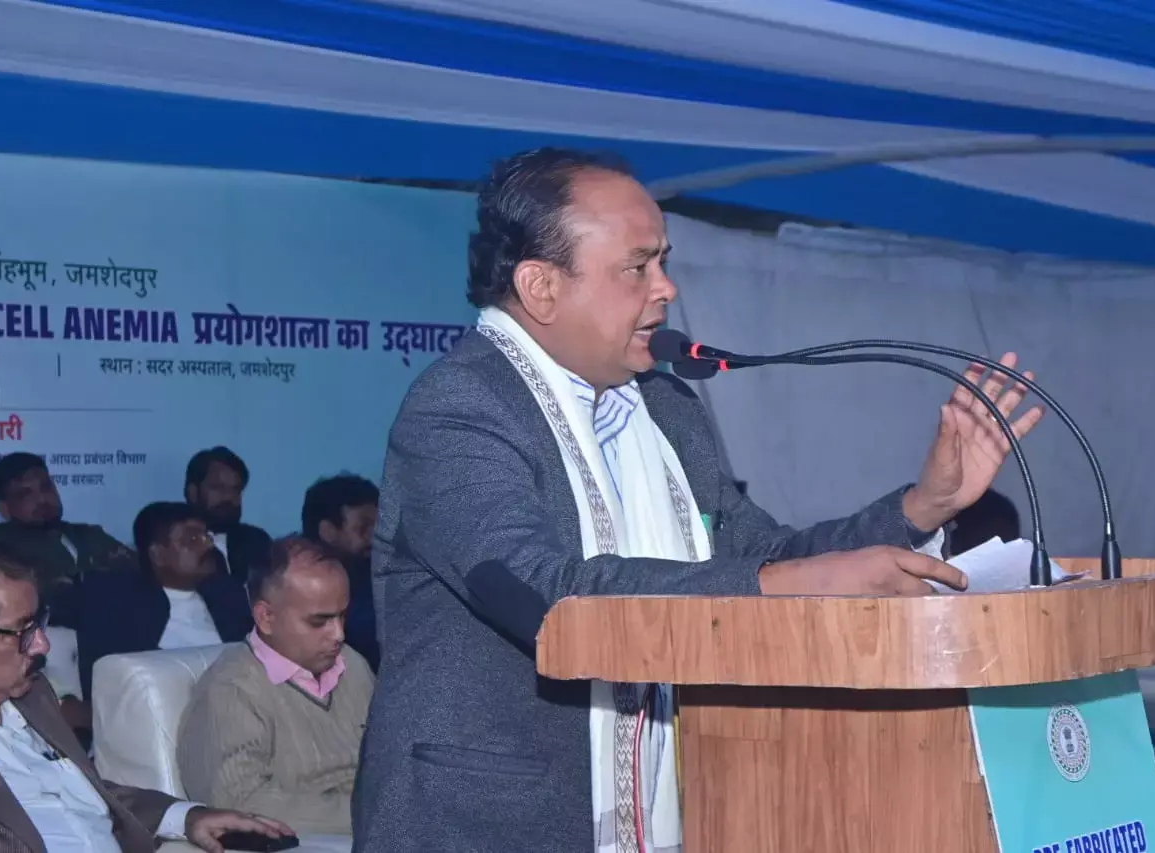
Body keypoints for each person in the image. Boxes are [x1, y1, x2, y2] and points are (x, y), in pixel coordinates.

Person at [352, 148, 1043, 853]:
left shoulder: (664, 408)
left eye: (664, 261)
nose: (666, 287)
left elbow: (764, 557)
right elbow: (545, 594)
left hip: (666, 816)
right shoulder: (459, 407)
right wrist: (783, 582)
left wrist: (925, 504)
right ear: (541, 286)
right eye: (638, 266)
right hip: (488, 825)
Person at [0, 551, 294, 853]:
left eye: (39, 625)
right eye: (23, 631)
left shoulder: (33, 697)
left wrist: (186, 817)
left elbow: (85, 792)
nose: (42, 645)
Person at [177, 536, 373, 835]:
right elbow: (239, 802)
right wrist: (374, 812)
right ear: (266, 617)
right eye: (319, 621)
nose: (338, 634)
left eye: (342, 616)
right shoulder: (232, 690)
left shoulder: (352, 663)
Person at [76, 502, 251, 702]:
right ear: (157, 555)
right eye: (193, 539)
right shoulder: (120, 607)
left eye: (207, 536)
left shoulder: (229, 596)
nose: (209, 545)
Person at [0, 452, 136, 626]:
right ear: (4, 508)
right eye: (25, 494)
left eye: (46, 487)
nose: (42, 499)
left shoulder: (87, 534)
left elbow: (139, 571)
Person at [301, 474, 380, 670]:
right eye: (363, 528)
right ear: (328, 532)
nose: (375, 537)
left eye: (379, 526)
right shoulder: (300, 591)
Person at [183, 447, 272, 585]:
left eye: (236, 489)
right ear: (193, 492)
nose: (229, 497)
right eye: (218, 487)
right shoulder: (177, 543)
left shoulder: (256, 541)